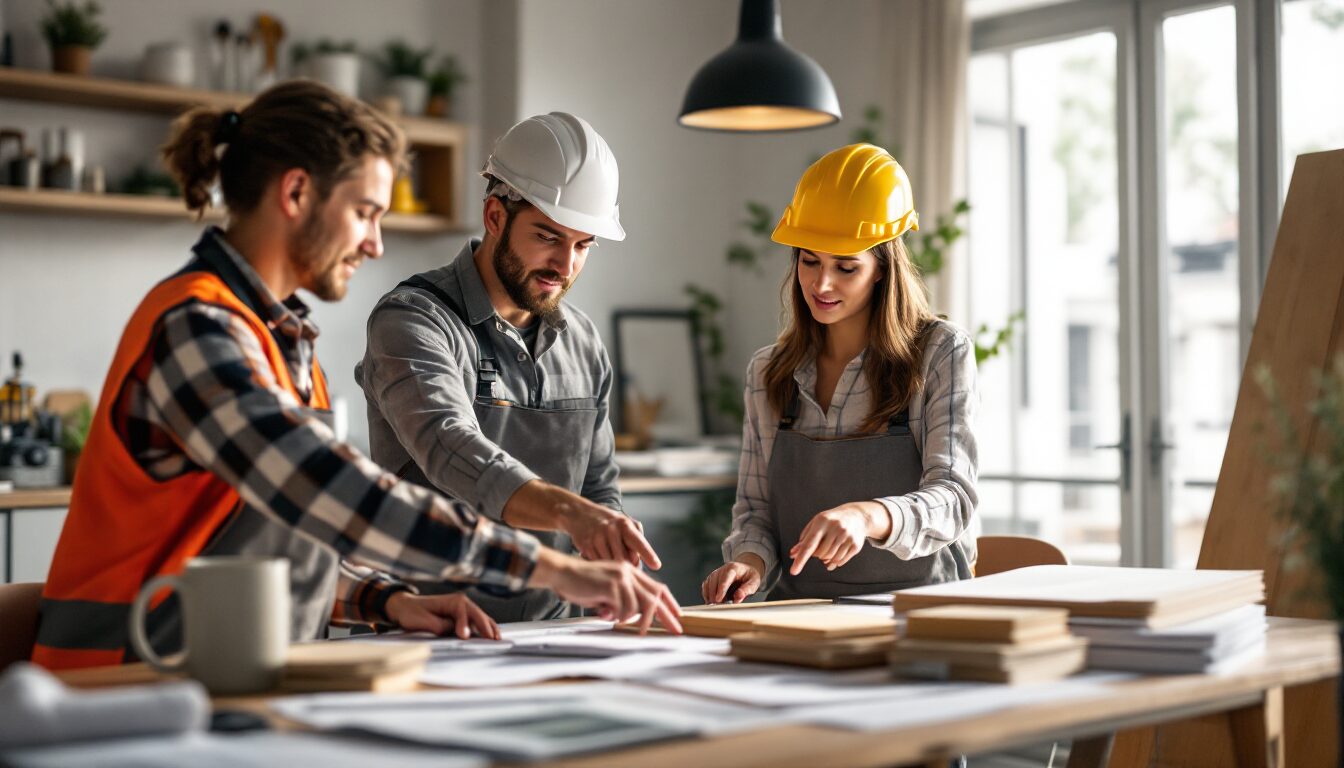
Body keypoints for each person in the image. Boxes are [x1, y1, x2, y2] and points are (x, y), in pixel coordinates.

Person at [33, 82, 679, 671]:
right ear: (295, 195)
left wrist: (383, 601)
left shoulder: (279, 339)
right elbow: (336, 493)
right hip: (116, 690)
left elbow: (272, 547)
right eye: (367, 211)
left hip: (214, 674)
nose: (375, 243)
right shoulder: (198, 330)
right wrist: (549, 567)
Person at [355, 112, 659, 622]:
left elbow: (598, 485)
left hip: (556, 635)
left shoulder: (582, 340)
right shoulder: (411, 318)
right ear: (495, 216)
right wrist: (571, 513)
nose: (565, 267)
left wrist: (611, 538)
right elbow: (451, 448)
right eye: (548, 237)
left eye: (583, 245)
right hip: (430, 628)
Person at [702, 143, 979, 604]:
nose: (821, 284)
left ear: (882, 270)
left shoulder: (939, 352)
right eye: (809, 261)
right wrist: (747, 563)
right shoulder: (768, 371)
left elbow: (954, 498)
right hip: (800, 612)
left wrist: (865, 517)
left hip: (920, 608)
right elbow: (756, 512)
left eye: (845, 267)